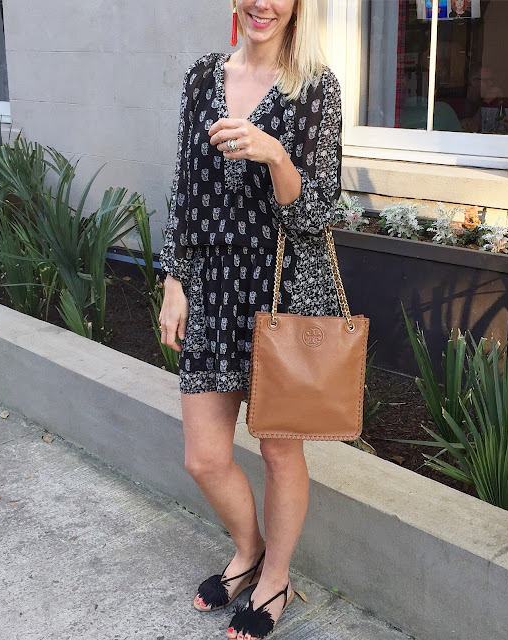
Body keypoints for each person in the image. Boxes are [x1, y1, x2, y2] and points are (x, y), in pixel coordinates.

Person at [158, 1, 342, 638]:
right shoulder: (201, 77)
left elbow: (317, 212)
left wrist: (275, 154)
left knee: (279, 452)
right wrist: (175, 279)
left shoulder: (315, 86)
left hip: (282, 289)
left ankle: (275, 578)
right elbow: (184, 187)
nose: (263, 3)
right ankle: (250, 548)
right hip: (212, 285)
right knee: (204, 456)